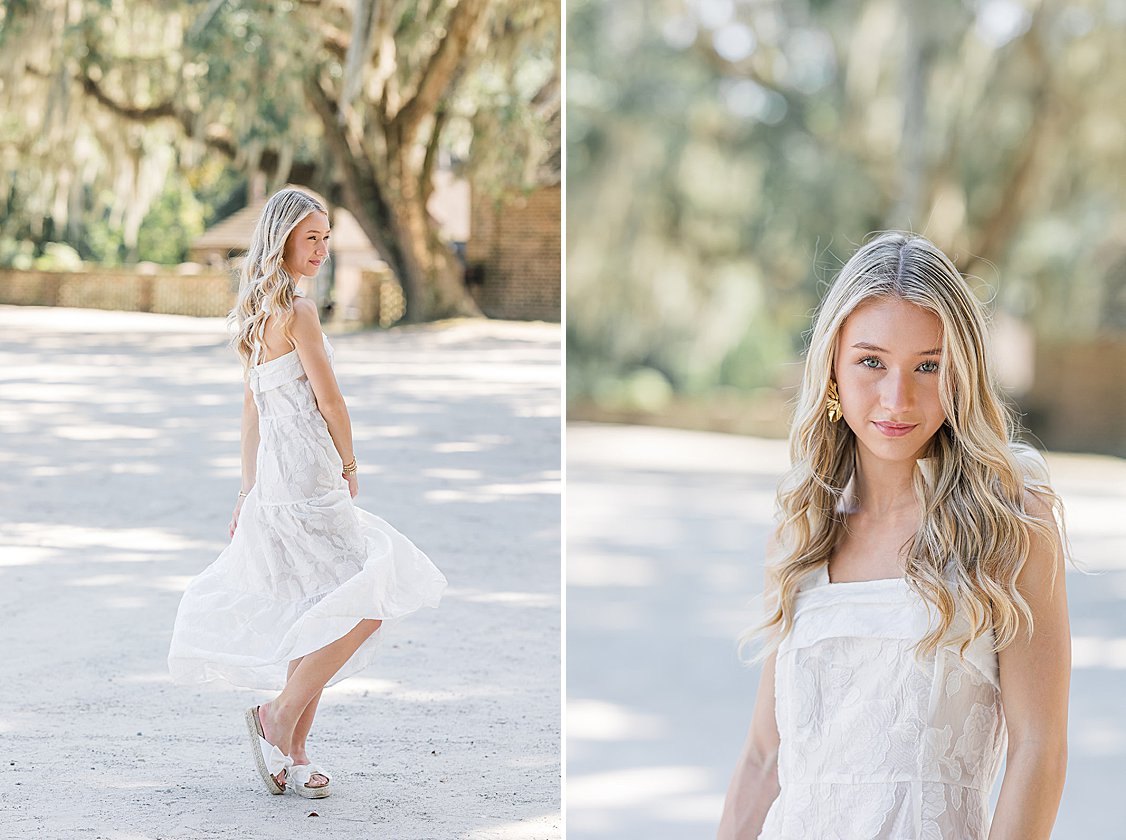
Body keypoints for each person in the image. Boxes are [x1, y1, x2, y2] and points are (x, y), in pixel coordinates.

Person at [717, 232, 1071, 839]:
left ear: (961, 374)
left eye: (928, 366)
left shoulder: (1012, 528)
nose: (897, 398)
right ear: (832, 363)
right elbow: (764, 756)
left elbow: (1039, 751)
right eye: (872, 361)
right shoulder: (802, 530)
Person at [167, 187, 447, 798]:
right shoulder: (298, 312)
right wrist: (350, 461)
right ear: (284, 240)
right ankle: (276, 716)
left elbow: (250, 414)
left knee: (320, 605)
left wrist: (248, 489)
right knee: (366, 601)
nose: (322, 249)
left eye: (326, 237)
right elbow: (331, 400)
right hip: (307, 476)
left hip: (275, 478)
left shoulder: (252, 315)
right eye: (311, 238)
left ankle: (293, 751)